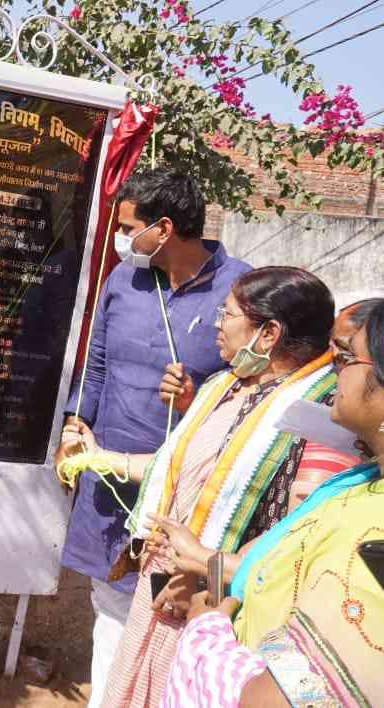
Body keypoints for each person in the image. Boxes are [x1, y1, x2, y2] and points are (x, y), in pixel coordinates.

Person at [60, 266, 338, 707]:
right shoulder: (224, 387)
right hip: (165, 587)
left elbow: (291, 547)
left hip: (216, 608)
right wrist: (98, 458)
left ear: (268, 334)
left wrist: (203, 574)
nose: (216, 325)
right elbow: (173, 472)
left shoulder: (313, 419)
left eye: (227, 314)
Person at [56, 168, 251, 708]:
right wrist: (75, 424)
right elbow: (96, 364)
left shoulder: (242, 291)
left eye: (127, 228)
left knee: (165, 615)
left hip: (181, 498)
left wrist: (195, 399)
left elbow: (252, 394)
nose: (121, 240)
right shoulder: (124, 280)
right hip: (107, 477)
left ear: (163, 229)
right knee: (108, 607)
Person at [161, 301, 384, 707]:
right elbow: (275, 558)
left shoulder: (372, 531)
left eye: (348, 356)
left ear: (269, 333)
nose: (336, 369)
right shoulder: (360, 485)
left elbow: (292, 698)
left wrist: (206, 634)